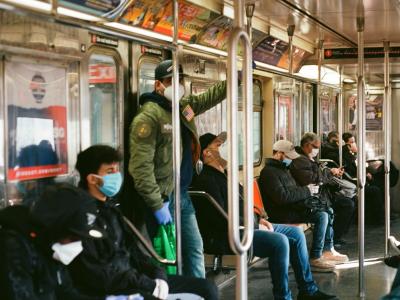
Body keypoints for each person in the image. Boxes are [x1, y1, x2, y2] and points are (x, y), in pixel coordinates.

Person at [191, 133, 337, 300]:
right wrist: (252, 224)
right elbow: (219, 217)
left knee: (296, 235)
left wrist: (258, 219)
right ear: (206, 153)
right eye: (217, 146)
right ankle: (283, 296)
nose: (222, 150)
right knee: (279, 241)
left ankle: (308, 290)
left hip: (248, 224)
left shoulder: (224, 175)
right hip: (230, 234)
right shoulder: (207, 180)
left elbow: (241, 204)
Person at [70, 145, 218, 300]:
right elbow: (101, 272)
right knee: (200, 294)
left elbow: (134, 252)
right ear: (93, 179)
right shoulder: (82, 217)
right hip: (120, 287)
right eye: (109, 172)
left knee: (207, 287)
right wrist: (146, 284)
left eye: (116, 170)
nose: (116, 176)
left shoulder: (111, 210)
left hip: (135, 279)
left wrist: (158, 274)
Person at [129, 59, 227, 278]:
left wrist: (236, 79)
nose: (177, 85)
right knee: (168, 258)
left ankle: (199, 292)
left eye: (180, 80)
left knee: (194, 249)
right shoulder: (148, 117)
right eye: (170, 80)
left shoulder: (184, 108)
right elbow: (140, 168)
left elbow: (209, 97)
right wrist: (156, 205)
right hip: (162, 198)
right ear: (158, 85)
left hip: (181, 194)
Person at [0, 183, 130, 300]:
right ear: (55, 230)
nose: (77, 245)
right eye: (73, 238)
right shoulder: (14, 248)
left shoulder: (49, 249)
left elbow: (66, 293)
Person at [289, 133, 352, 257]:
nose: (317, 150)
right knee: (326, 213)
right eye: (316, 147)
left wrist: (329, 172)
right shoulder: (300, 161)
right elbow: (312, 179)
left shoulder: (307, 159)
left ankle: (328, 247)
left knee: (330, 211)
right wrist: (330, 173)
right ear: (307, 145)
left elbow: (318, 175)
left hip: (318, 195)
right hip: (308, 198)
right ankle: (321, 251)